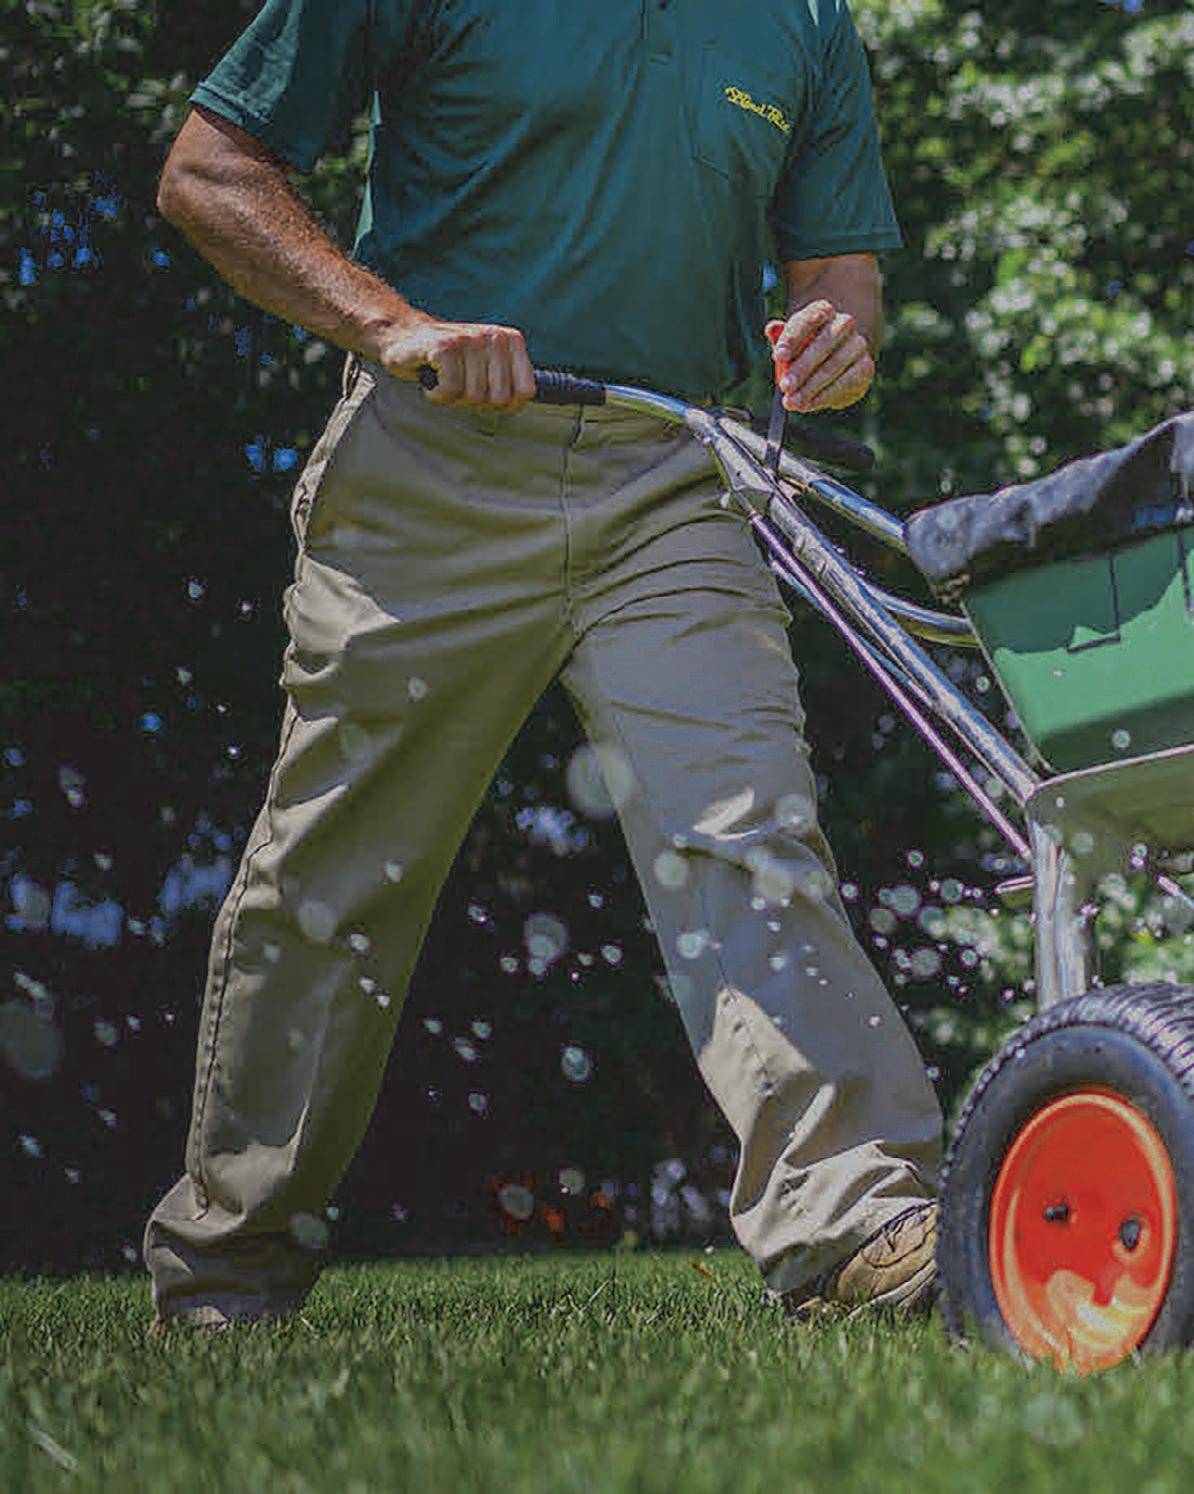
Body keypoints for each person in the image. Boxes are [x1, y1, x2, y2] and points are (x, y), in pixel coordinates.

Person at [143, 0, 945, 1328]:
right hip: (432, 467)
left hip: (672, 474)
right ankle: (228, 1266)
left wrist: (836, 341)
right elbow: (209, 173)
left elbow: (836, 273)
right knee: (336, 874)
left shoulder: (804, 17)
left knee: (749, 833)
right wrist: (391, 324)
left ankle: (851, 1222)